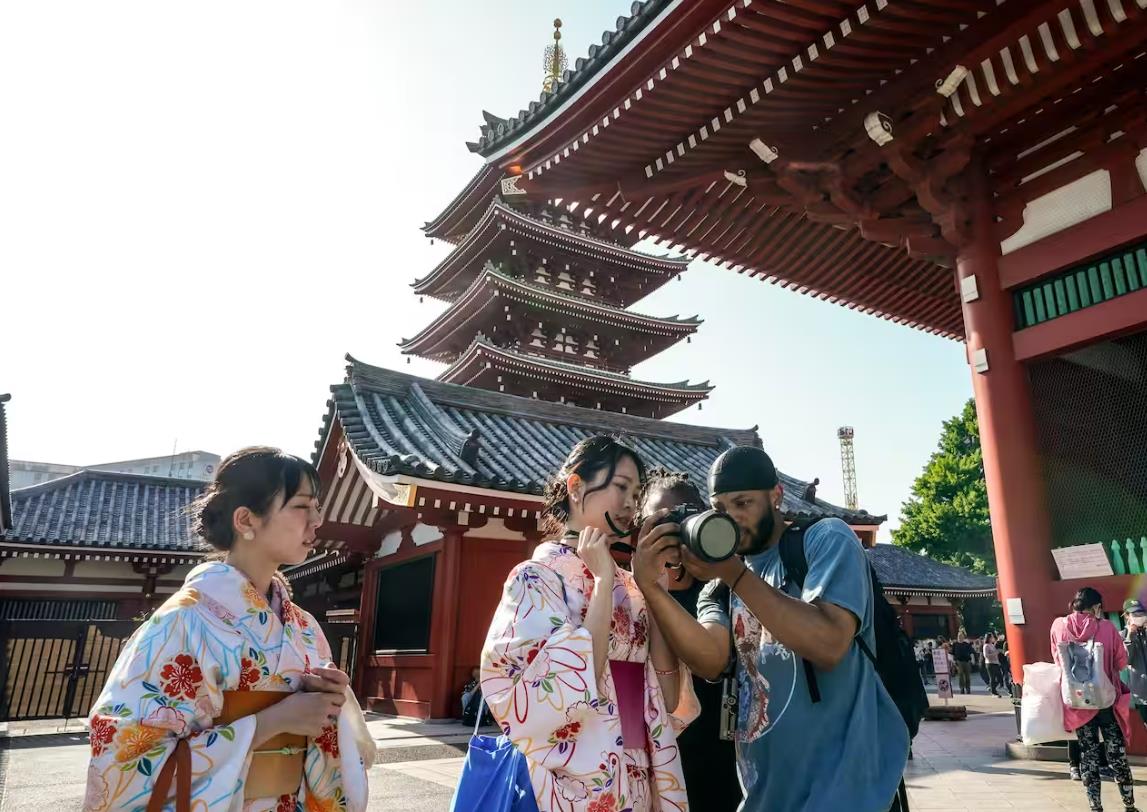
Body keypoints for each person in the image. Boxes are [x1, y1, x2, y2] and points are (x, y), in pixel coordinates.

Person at [84, 447, 374, 812]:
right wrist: (271, 722)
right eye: (303, 506)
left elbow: (322, 733)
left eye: (317, 507)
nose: (317, 520)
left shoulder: (303, 627)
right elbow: (124, 752)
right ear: (246, 520)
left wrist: (330, 698)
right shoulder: (183, 621)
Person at [631, 445, 909, 811]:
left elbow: (829, 643)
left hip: (848, 789)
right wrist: (651, 586)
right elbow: (711, 660)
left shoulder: (824, 539)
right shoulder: (719, 586)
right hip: (767, 796)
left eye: (743, 503)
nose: (732, 518)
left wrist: (735, 573)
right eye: (721, 509)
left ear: (776, 495)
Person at [479, 436, 697, 812]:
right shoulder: (535, 577)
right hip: (578, 774)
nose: (631, 503)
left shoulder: (630, 582)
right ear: (576, 487)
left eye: (636, 491)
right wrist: (602, 585)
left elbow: (666, 692)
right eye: (621, 487)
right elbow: (568, 687)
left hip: (640, 765)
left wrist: (653, 591)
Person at [640, 467, 741, 812]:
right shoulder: (629, 592)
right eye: (657, 522)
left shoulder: (726, 588)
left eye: (679, 520)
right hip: (653, 770)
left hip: (722, 768)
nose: (668, 533)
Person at [1051, 587, 1138, 812]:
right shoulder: (1107, 628)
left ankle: (1095, 806)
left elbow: (1058, 662)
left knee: (1088, 754)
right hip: (1106, 700)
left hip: (1078, 702)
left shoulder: (1058, 626)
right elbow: (1121, 663)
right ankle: (1129, 805)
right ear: (1096, 606)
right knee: (1116, 752)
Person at [1122, 599, 1147, 728]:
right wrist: (1130, 636)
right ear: (1127, 615)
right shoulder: (1123, 635)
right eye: (1135, 614)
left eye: (1141, 613)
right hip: (1142, 693)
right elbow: (1126, 660)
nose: (1139, 617)